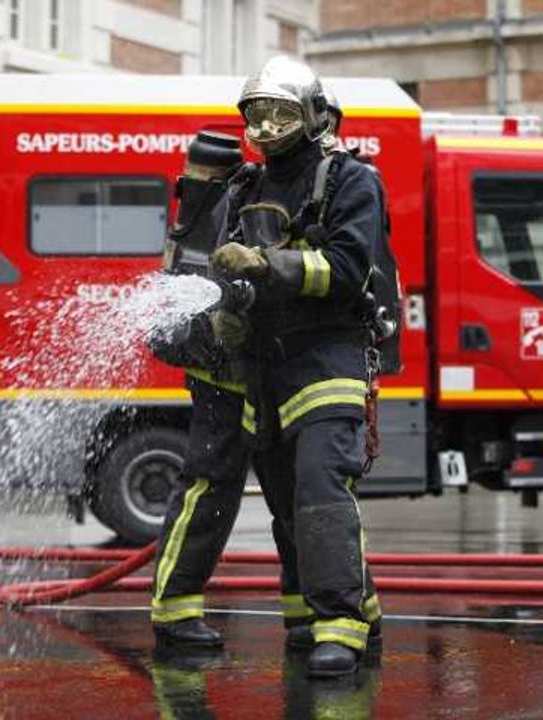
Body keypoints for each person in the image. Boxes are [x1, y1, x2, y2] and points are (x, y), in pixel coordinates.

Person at [211, 55, 387, 677]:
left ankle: (341, 627)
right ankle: (316, 613)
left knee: (319, 486)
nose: (264, 126)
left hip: (329, 354)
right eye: (255, 114)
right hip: (265, 363)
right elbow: (224, 267)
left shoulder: (350, 181)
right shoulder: (244, 188)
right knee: (286, 502)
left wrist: (266, 267)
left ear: (312, 116)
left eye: (279, 113)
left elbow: (345, 271)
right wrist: (225, 307)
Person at [146, 131, 305, 649]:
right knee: (210, 491)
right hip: (223, 387)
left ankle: (305, 612)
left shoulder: (245, 203)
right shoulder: (194, 232)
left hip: (270, 378)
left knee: (293, 498)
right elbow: (164, 332)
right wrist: (216, 327)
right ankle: (174, 611)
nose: (202, 188)